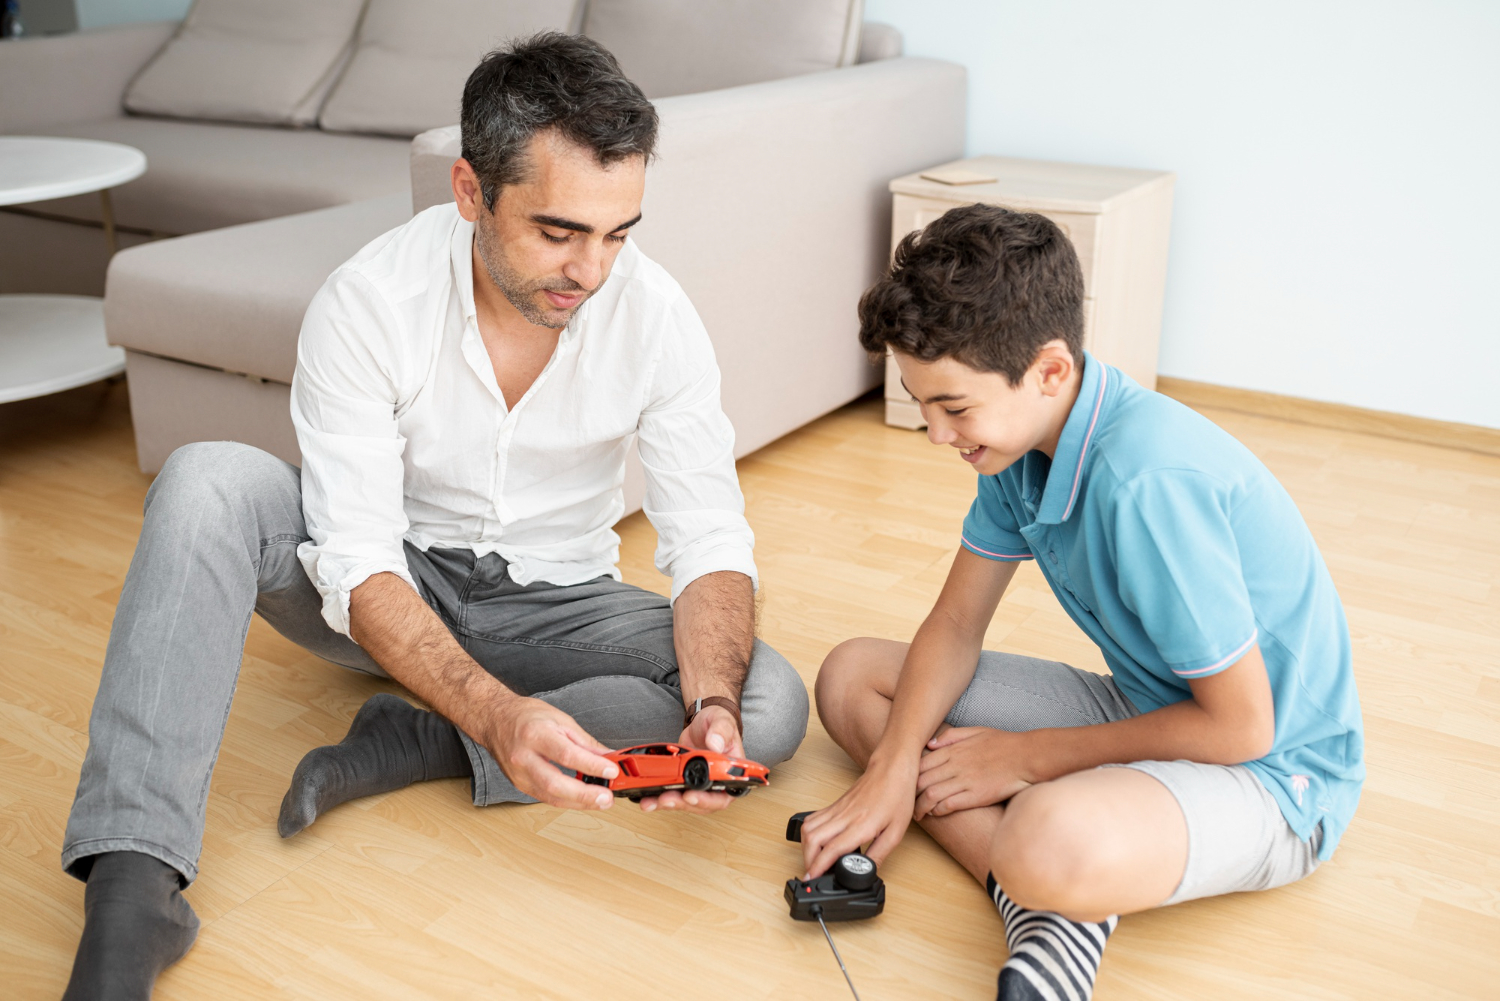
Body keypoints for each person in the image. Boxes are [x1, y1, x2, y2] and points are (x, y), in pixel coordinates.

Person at [58, 33, 808, 1000]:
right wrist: (500, 708)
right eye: (558, 231)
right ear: (469, 190)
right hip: (391, 586)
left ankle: (421, 739)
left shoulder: (656, 316)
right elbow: (362, 560)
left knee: (769, 702)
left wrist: (709, 709)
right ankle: (133, 883)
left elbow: (709, 536)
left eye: (618, 232)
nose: (592, 270)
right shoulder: (369, 303)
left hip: (557, 603)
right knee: (204, 479)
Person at [803, 204, 1364, 1001]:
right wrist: (891, 771)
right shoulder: (1016, 447)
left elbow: (1242, 725)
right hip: (1150, 706)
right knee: (854, 676)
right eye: (922, 403)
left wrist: (1024, 758)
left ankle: (1049, 889)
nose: (934, 433)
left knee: (1046, 833)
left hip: (1272, 774)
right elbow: (957, 622)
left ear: (1051, 370)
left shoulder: (1146, 486)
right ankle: (1052, 914)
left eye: (953, 407)